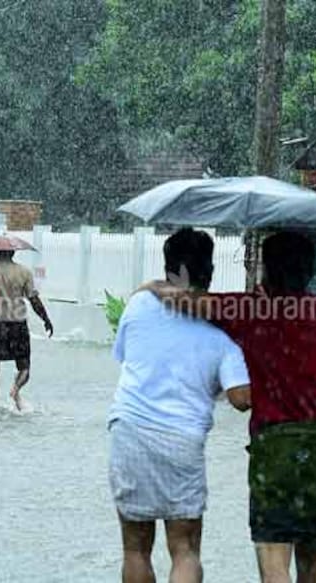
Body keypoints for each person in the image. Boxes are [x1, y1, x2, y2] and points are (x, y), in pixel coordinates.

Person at [149, 232, 316, 583]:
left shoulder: (252, 311)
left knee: (274, 562)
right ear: (310, 270)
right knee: (313, 565)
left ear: (267, 269)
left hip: (277, 445)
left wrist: (151, 287)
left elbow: (187, 300)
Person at [109, 228, 251, 583]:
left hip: (129, 430)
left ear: (167, 266)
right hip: (183, 440)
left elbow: (125, 356)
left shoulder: (139, 302)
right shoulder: (223, 338)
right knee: (184, 548)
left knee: (135, 548)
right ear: (211, 272)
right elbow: (241, 399)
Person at [0, 248, 54, 410]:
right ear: (13, 253)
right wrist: (46, 319)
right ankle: (16, 389)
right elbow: (33, 299)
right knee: (24, 367)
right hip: (17, 326)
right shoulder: (23, 272)